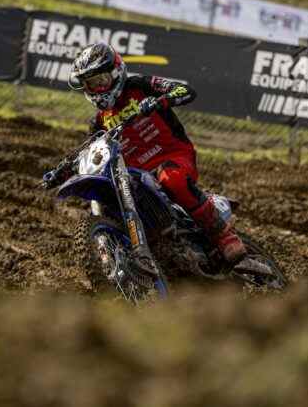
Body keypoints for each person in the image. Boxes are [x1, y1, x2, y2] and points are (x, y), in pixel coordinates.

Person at [57, 42, 246, 264]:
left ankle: (223, 235)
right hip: (136, 176)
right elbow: (90, 151)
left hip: (172, 156)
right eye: (91, 84)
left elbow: (185, 91)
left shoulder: (140, 86)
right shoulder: (99, 122)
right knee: (109, 199)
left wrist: (159, 101)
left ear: (116, 72)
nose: (98, 88)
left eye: (101, 80)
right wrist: (64, 168)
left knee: (171, 178)